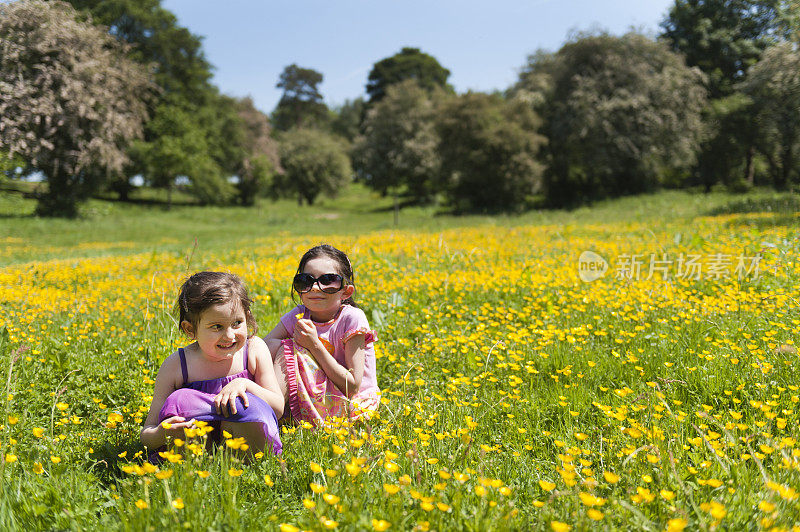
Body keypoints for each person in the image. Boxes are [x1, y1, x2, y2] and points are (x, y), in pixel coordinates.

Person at [141, 272, 283, 456]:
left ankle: (247, 467)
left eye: (237, 323)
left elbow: (278, 408)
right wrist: (162, 433)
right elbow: (147, 433)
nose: (230, 335)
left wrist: (246, 384)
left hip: (247, 449)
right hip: (195, 455)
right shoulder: (176, 365)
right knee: (180, 400)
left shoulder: (254, 350)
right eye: (217, 327)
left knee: (243, 404)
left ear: (247, 318)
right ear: (190, 329)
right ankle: (197, 470)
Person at [264, 244, 380, 425]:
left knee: (288, 349)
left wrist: (313, 345)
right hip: (316, 395)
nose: (316, 288)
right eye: (306, 281)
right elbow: (264, 346)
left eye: (328, 281)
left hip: (349, 403)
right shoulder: (299, 314)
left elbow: (353, 387)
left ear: (346, 291)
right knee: (266, 347)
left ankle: (265, 414)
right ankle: (259, 404)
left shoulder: (352, 318)